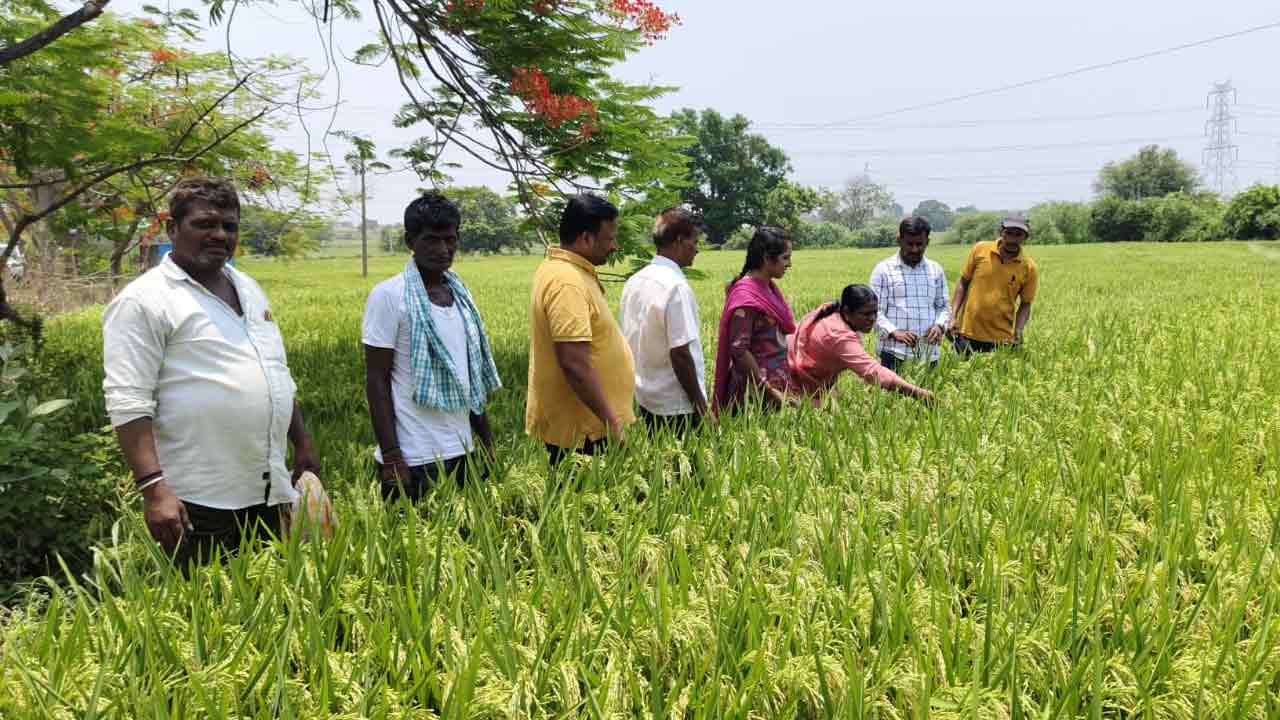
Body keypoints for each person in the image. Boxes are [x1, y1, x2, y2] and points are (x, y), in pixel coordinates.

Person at [102, 177, 320, 566]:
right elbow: (127, 400)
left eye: (229, 226)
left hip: (268, 487)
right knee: (210, 613)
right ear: (172, 228)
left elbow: (275, 374)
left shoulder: (248, 288)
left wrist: (301, 442)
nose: (219, 234)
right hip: (199, 498)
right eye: (204, 224)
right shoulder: (144, 300)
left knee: (271, 603)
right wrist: (154, 488)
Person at [363, 192, 502, 502]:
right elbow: (376, 379)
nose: (443, 250)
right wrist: (392, 456)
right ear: (410, 241)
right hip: (414, 456)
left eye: (450, 240)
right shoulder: (389, 296)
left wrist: (486, 441)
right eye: (431, 240)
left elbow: (469, 377)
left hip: (461, 449)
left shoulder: (460, 294)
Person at [526, 194, 636, 463]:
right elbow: (574, 364)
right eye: (609, 238)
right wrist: (612, 422)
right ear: (586, 238)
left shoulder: (567, 270)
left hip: (590, 426)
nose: (614, 246)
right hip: (585, 433)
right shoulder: (567, 282)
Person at [619, 207, 708, 435]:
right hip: (676, 404)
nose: (697, 249)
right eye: (694, 241)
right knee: (683, 468)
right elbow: (680, 353)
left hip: (646, 397)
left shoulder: (635, 281)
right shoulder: (675, 287)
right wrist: (701, 408)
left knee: (661, 465)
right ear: (679, 241)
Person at [788, 285, 934, 403]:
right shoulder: (838, 335)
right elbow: (872, 371)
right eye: (865, 314)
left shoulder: (834, 314)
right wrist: (919, 393)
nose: (872, 319)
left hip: (804, 375)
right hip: (791, 380)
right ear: (847, 311)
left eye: (875, 313)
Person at [712, 226, 796, 414]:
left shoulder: (768, 288)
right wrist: (767, 391)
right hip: (755, 394)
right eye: (785, 257)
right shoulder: (746, 297)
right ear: (767, 258)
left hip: (775, 386)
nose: (789, 264)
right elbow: (739, 350)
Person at [949, 214, 1039, 354]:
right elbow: (963, 282)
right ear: (1001, 232)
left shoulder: (1029, 267)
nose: (1012, 239)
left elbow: (1026, 303)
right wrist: (952, 316)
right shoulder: (980, 249)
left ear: (1025, 237)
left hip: (1001, 339)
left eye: (1018, 234)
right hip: (966, 334)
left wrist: (1018, 330)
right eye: (1008, 233)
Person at [869, 216, 950, 370]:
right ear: (899, 241)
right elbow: (873, 311)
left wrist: (939, 326)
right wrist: (894, 332)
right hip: (893, 353)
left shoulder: (935, 270)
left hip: (929, 353)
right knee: (891, 394)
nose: (914, 249)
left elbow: (944, 306)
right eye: (909, 244)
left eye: (919, 244)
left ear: (928, 242)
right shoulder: (884, 270)